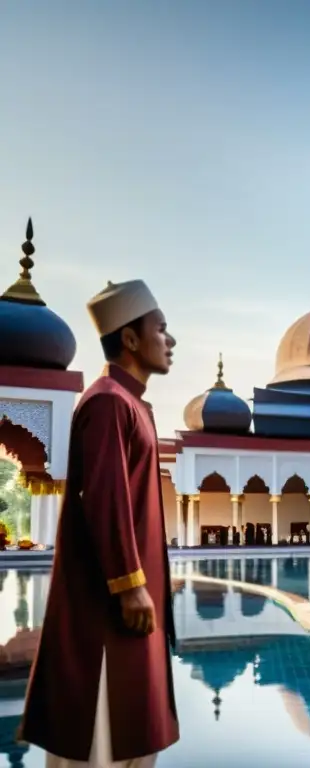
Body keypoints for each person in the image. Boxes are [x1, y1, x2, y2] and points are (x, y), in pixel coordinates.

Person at [20, 280, 180, 767]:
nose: (170, 341)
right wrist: (130, 585)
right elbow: (105, 498)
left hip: (131, 605)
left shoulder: (132, 405)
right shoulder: (109, 401)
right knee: (103, 736)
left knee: (132, 735)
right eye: (161, 329)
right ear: (130, 339)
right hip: (108, 614)